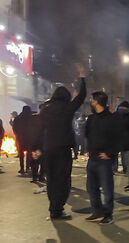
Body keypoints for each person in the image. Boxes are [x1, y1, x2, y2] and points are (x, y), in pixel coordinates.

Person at [40, 78, 87, 220]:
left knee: (52, 179)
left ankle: (53, 208)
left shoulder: (45, 110)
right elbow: (81, 97)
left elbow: (40, 130)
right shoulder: (68, 108)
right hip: (63, 148)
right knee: (63, 179)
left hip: (48, 148)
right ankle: (57, 209)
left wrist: (37, 148)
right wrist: (82, 80)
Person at [84, 91, 121, 224]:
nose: (90, 102)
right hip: (92, 158)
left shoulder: (111, 119)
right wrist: (88, 149)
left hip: (104, 160)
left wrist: (110, 153)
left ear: (97, 101)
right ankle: (97, 210)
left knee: (107, 187)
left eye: (92, 100)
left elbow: (119, 139)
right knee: (91, 186)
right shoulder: (91, 119)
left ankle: (108, 214)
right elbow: (87, 134)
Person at [12, 106, 35, 175]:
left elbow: (14, 128)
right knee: (29, 153)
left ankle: (22, 168)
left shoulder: (17, 118)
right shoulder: (32, 118)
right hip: (30, 138)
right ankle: (28, 167)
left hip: (20, 138)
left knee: (21, 154)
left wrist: (17, 135)